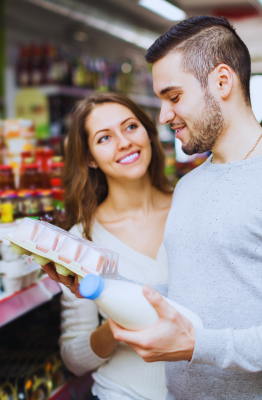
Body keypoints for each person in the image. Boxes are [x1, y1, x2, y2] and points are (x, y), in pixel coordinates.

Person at [107, 16, 262, 400]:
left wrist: (200, 346)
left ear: (222, 81)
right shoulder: (188, 186)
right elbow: (192, 294)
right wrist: (96, 282)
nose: (163, 116)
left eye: (173, 97)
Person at [41, 92, 173, 400]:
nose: (124, 142)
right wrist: (118, 321)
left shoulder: (194, 208)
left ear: (149, 134)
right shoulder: (81, 241)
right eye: (104, 138)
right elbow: (74, 359)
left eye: (130, 127)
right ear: (89, 158)